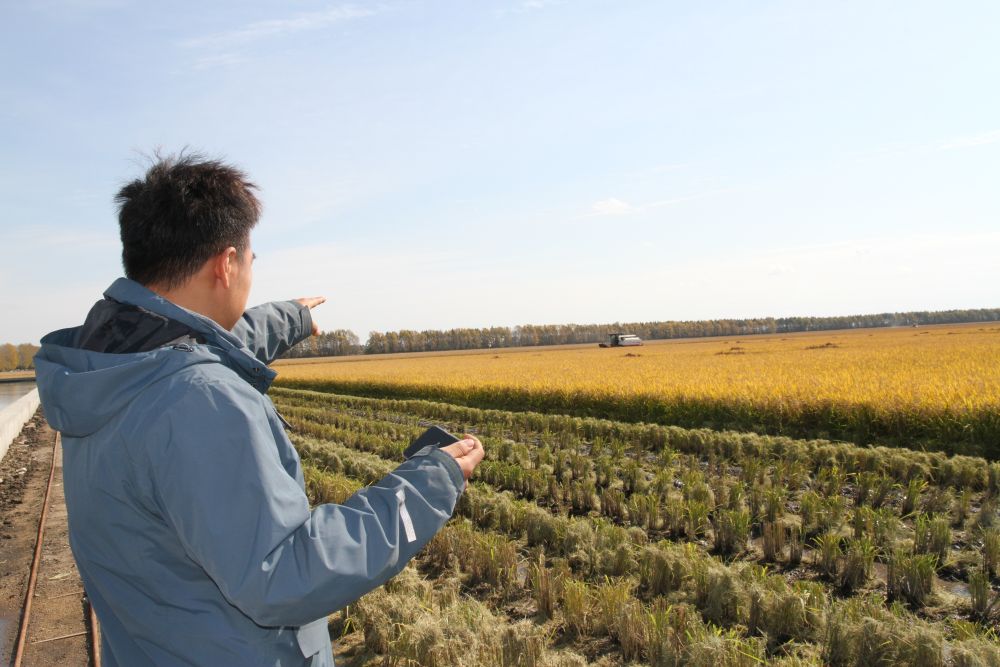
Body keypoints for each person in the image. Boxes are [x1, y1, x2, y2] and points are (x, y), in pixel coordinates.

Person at [34, 153, 485, 666]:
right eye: (249, 259)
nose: (250, 272)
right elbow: (285, 575)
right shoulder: (201, 401)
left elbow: (194, 342)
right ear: (225, 264)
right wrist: (431, 481)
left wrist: (288, 319)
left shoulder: (103, 365)